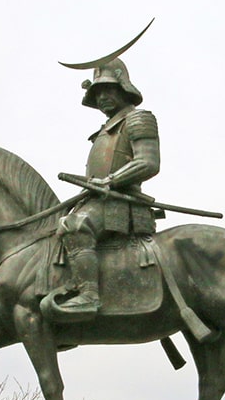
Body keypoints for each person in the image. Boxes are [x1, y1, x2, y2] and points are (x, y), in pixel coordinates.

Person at [55, 57, 160, 321]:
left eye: (107, 89)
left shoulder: (138, 119)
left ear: (123, 88)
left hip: (122, 203)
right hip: (98, 200)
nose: (102, 97)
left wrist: (110, 181)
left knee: (75, 226)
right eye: (97, 93)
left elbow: (148, 162)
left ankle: (89, 296)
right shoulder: (105, 130)